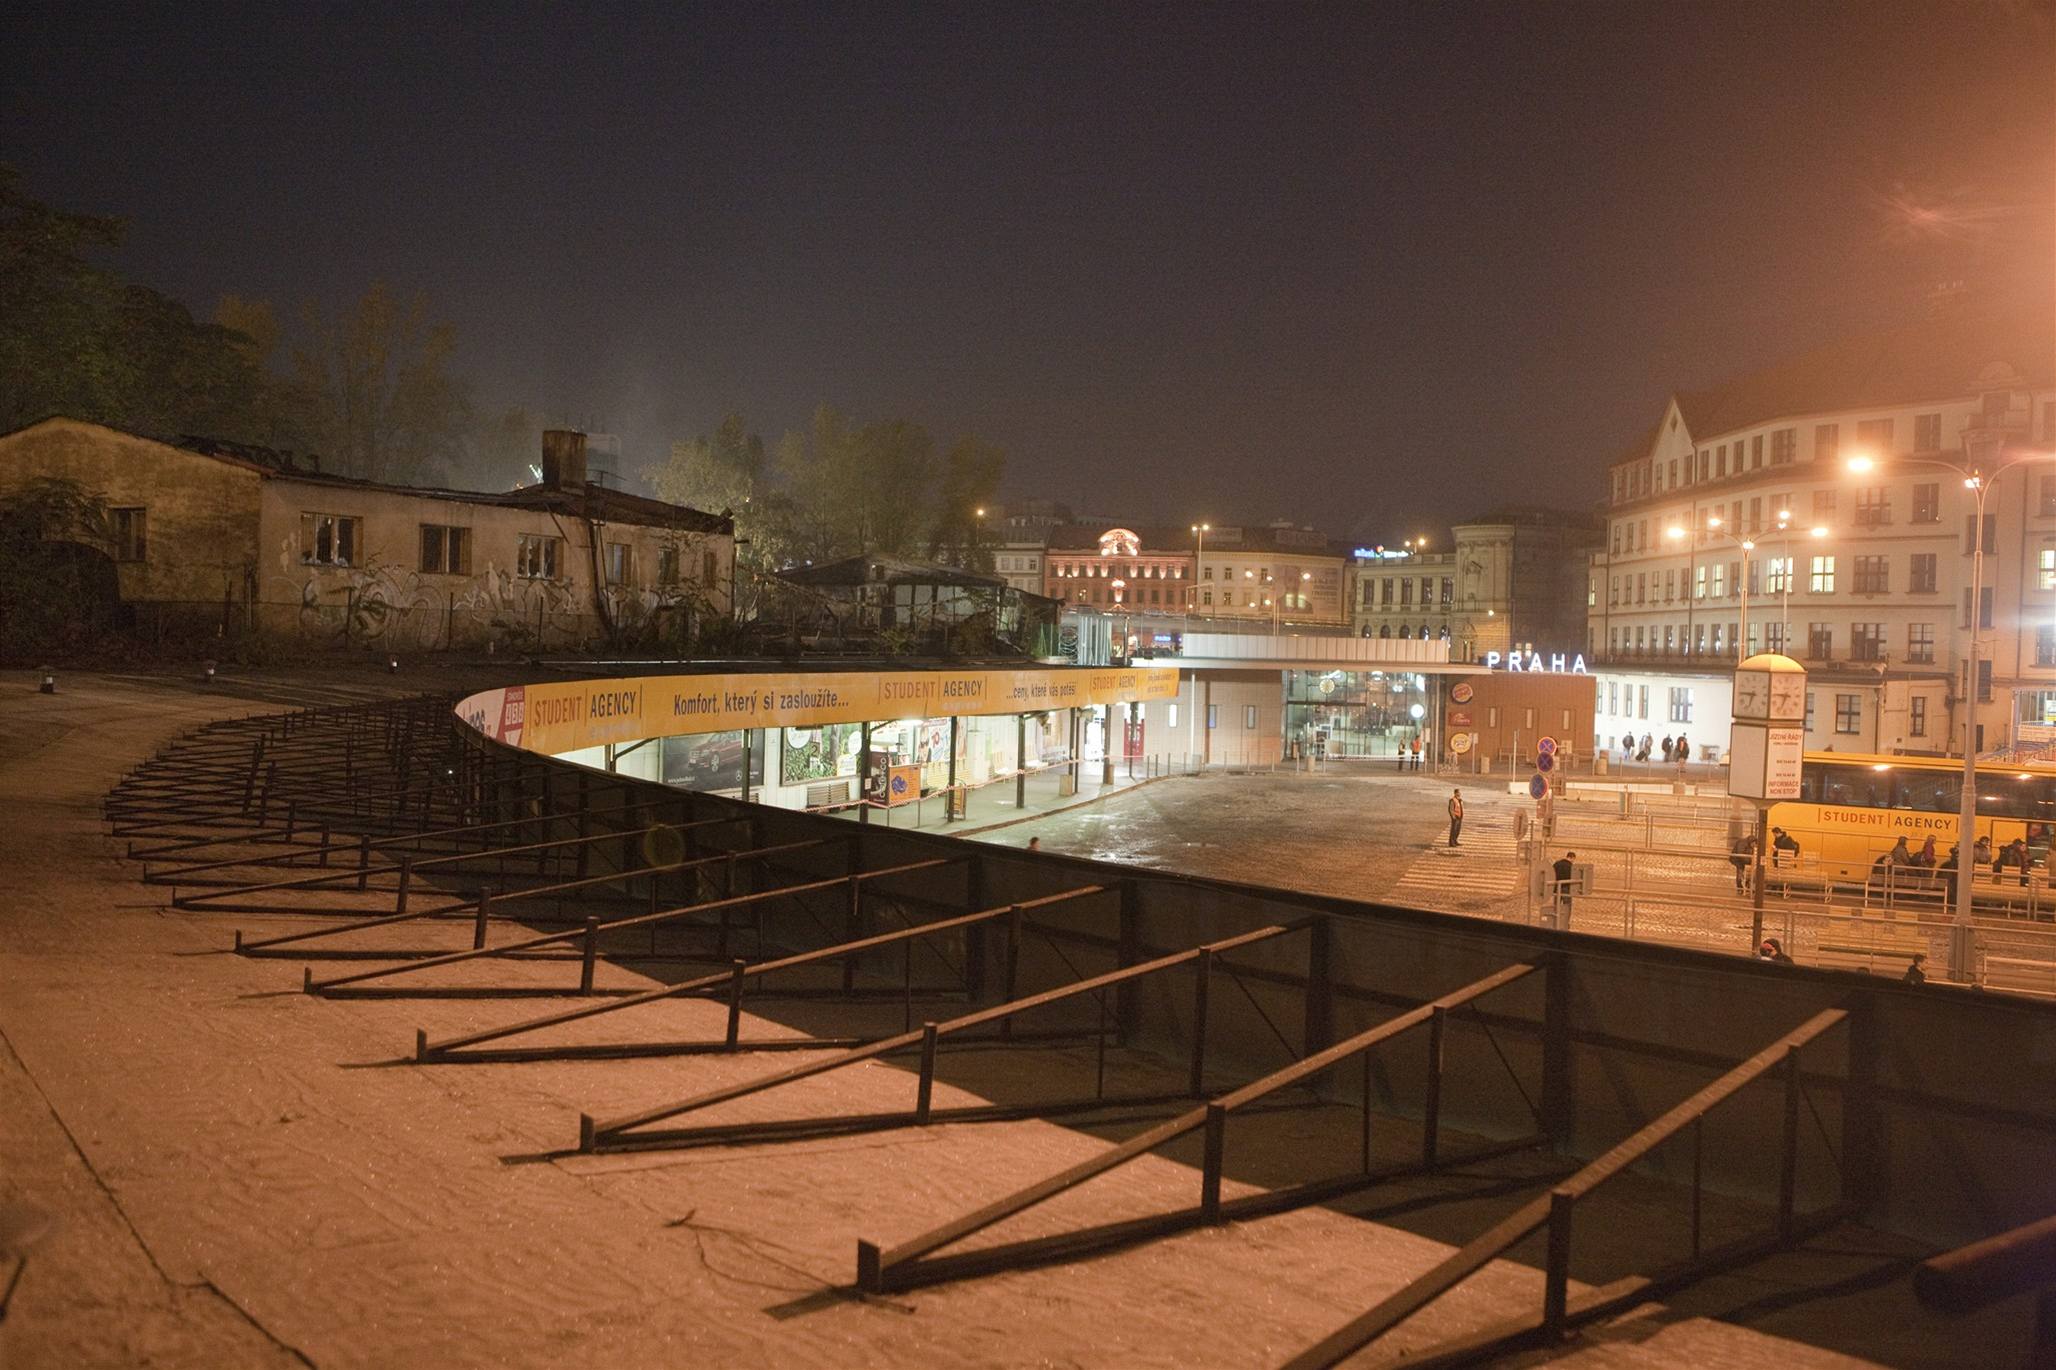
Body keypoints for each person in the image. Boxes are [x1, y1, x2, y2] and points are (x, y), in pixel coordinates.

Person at [1552, 850, 1576, 923]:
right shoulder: (1571, 866)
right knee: (1567, 906)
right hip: (1566, 888)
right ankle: (1565, 922)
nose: (1573, 861)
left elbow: (1551, 874)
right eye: (1573, 859)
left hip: (1556, 888)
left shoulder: (1557, 864)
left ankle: (1555, 920)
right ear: (1572, 858)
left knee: (1556, 906)